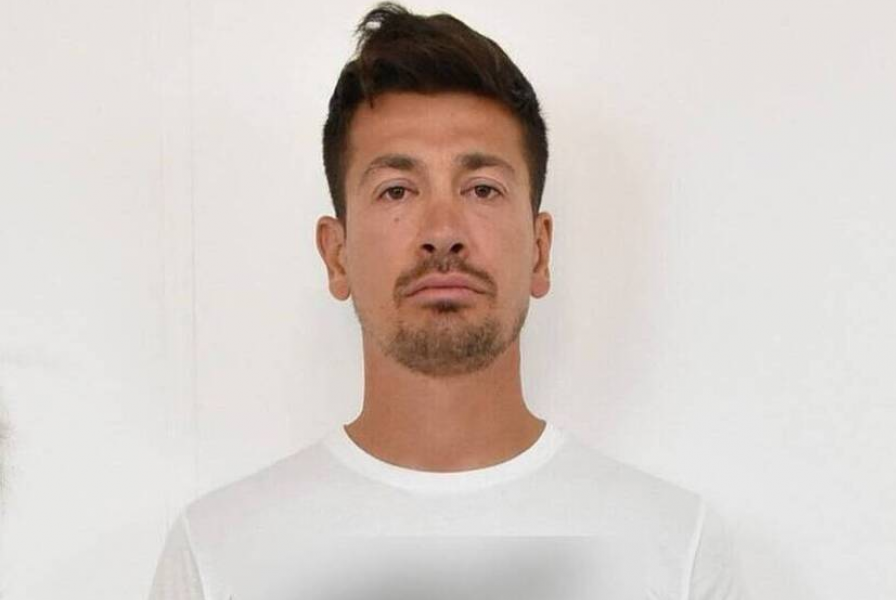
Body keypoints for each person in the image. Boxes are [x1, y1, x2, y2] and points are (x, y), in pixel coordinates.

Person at [146, 3, 745, 599]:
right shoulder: (218, 552)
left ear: (539, 251)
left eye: (482, 189)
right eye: (397, 190)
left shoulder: (675, 548)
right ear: (337, 255)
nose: (442, 231)